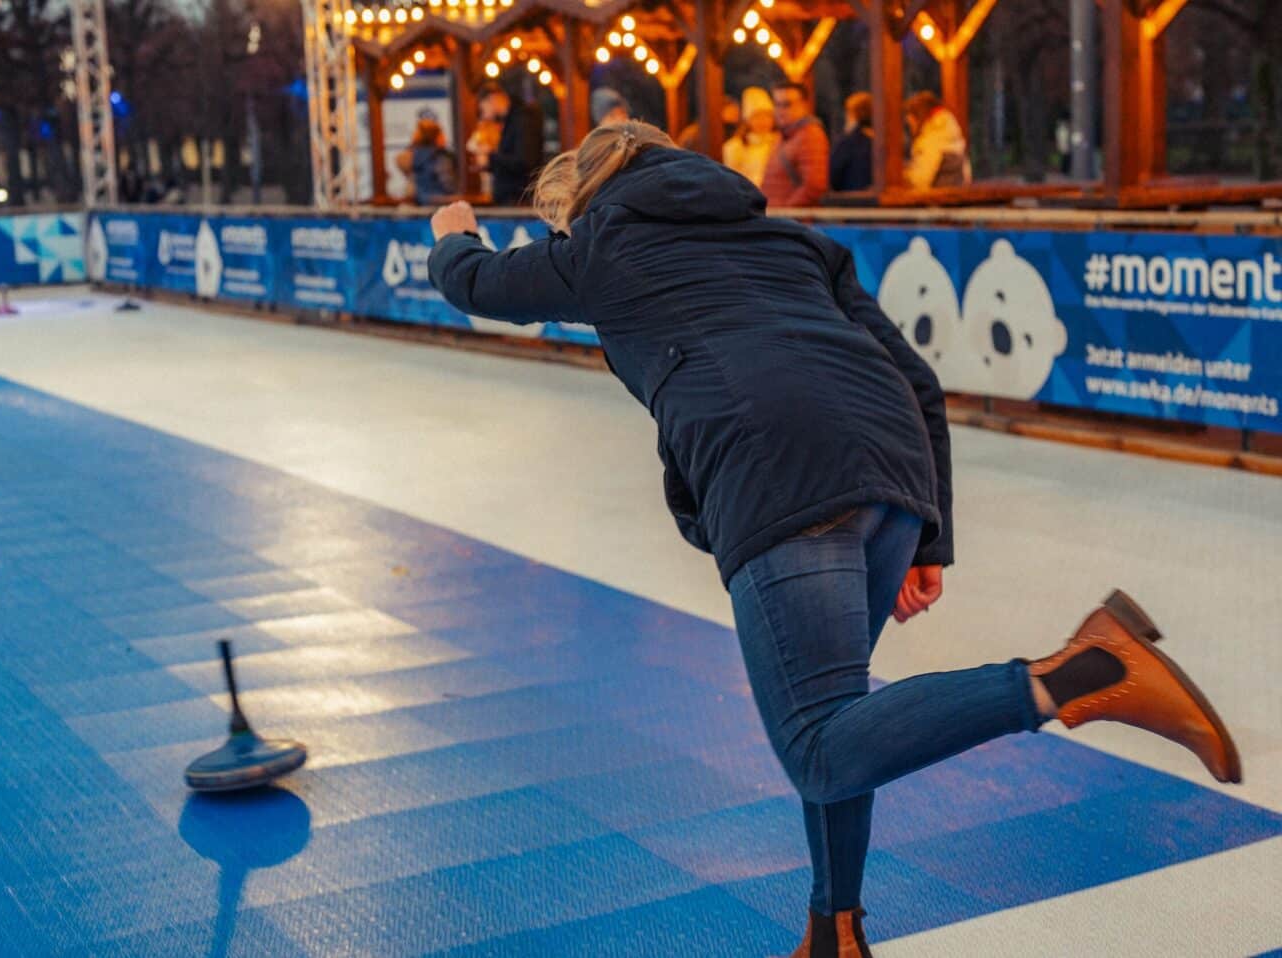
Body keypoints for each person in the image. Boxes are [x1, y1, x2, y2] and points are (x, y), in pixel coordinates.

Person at [424, 121, 1242, 958]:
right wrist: (928, 535)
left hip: (779, 475)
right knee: (841, 714)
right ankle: (834, 932)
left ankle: (1081, 673)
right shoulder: (794, 243)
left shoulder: (604, 248)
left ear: (586, 194)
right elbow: (915, 380)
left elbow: (480, 284)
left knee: (817, 745)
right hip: (888, 464)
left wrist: (453, 235)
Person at [759, 80, 830, 208]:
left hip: (792, 222)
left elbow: (814, 186)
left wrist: (786, 212)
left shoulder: (810, 135)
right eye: (776, 104)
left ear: (804, 105)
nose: (780, 110)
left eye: (787, 104)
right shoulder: (784, 136)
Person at [474, 83, 543, 206]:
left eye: (483, 109)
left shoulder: (522, 120)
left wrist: (490, 156)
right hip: (512, 197)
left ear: (492, 99)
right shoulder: (511, 121)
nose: (484, 115)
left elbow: (524, 161)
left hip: (518, 199)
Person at [903, 91, 972, 189]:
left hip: (939, 201)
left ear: (919, 117)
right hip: (955, 197)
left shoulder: (934, 138)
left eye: (911, 123)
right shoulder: (947, 132)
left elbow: (920, 181)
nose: (911, 128)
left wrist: (901, 174)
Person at [722, 87, 780, 187]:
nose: (763, 121)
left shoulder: (780, 142)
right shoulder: (735, 146)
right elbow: (732, 181)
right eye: (757, 116)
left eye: (767, 116)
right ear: (748, 120)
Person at [396, 110, 457, 205]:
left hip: (423, 202)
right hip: (442, 203)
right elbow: (448, 183)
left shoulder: (414, 156)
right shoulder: (440, 156)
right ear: (436, 136)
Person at [829, 91, 873, 192]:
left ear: (852, 114)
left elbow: (833, 175)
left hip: (852, 200)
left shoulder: (848, 143)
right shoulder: (883, 140)